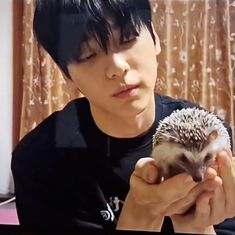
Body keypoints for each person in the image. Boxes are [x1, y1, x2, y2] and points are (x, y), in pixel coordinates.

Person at [11, 0, 235, 234]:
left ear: (156, 38)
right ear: (67, 75)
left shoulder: (213, 137)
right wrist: (142, 212)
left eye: (127, 38)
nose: (117, 67)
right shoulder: (39, 161)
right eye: (87, 55)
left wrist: (195, 224)